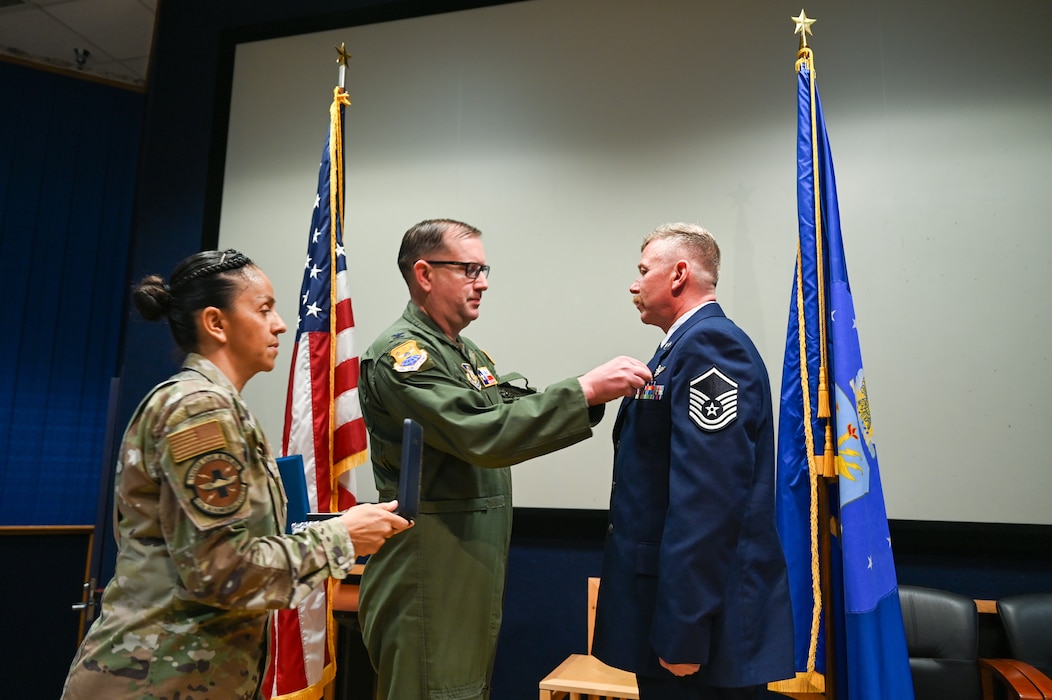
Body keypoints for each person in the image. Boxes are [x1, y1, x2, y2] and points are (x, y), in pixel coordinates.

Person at [61, 249, 412, 700]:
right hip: (153, 680)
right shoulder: (199, 411)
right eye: (264, 309)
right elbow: (222, 570)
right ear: (216, 323)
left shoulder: (214, 406)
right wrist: (341, 537)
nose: (280, 324)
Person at [356, 218, 651, 700]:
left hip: (467, 560)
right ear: (425, 274)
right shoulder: (400, 356)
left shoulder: (466, 353)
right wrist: (584, 390)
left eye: (483, 268)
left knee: (464, 690)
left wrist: (585, 396)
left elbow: (507, 409)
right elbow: (483, 433)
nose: (484, 281)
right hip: (429, 570)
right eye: (470, 269)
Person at [591, 223, 795, 700]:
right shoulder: (678, 349)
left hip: (701, 630)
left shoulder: (710, 348)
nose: (634, 284)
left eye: (644, 271)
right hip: (676, 615)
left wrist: (685, 629)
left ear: (679, 274)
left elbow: (707, 502)